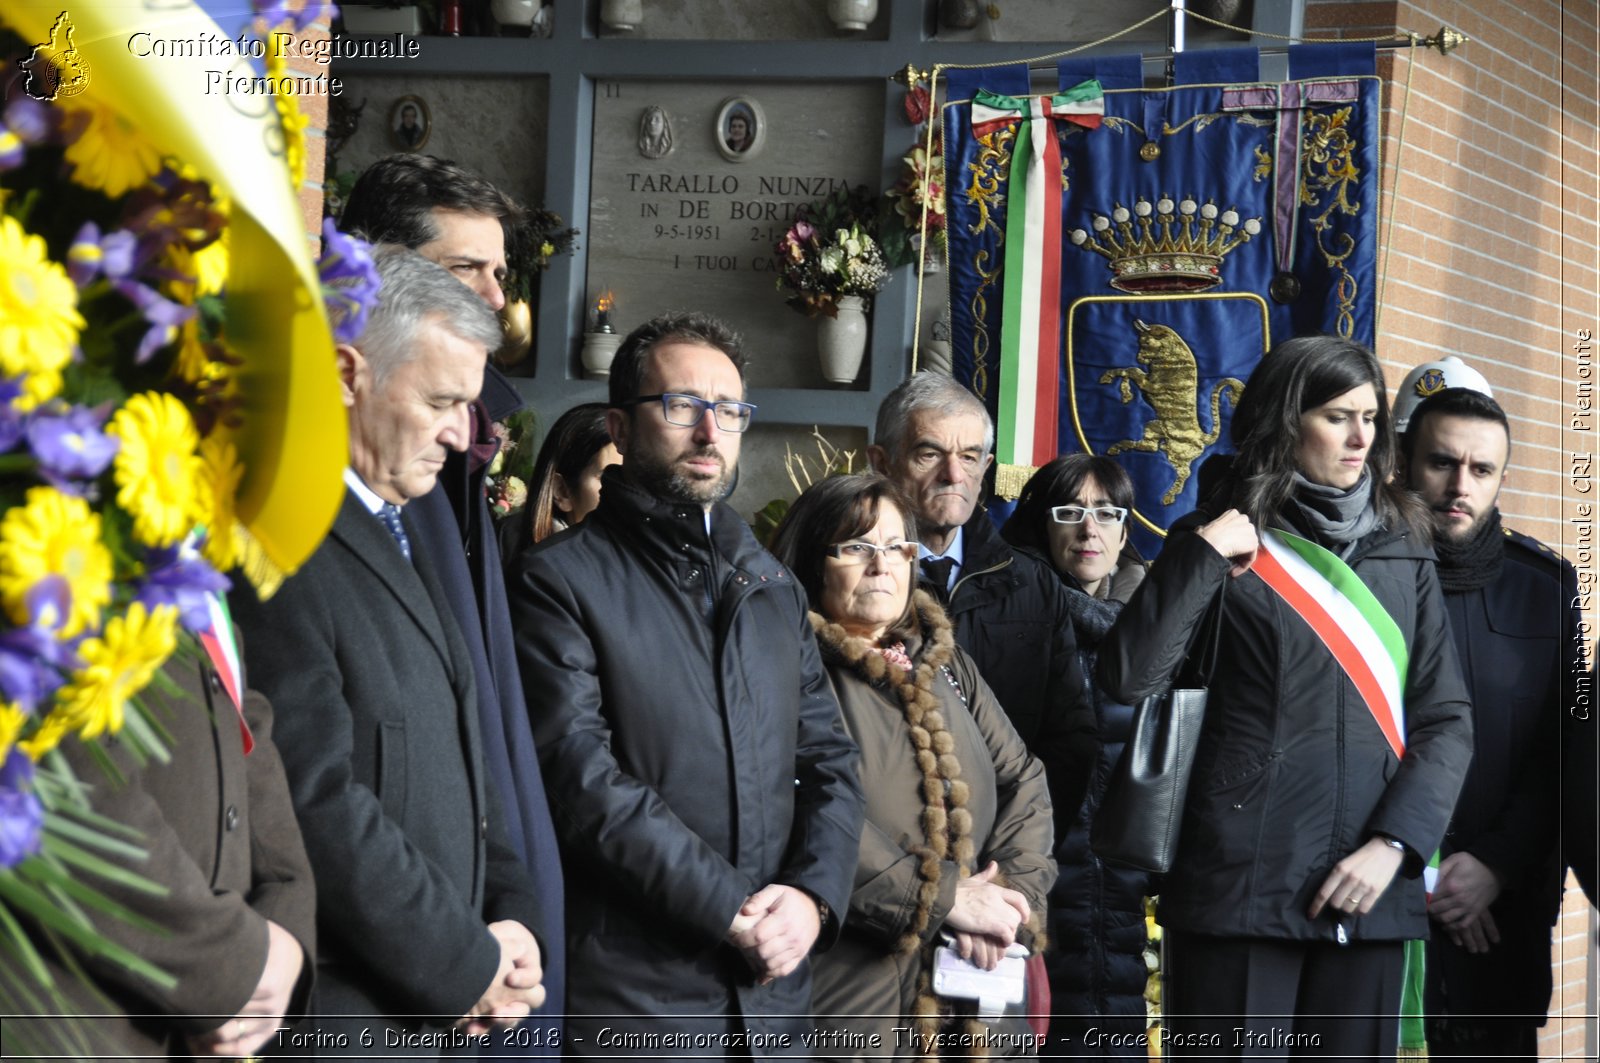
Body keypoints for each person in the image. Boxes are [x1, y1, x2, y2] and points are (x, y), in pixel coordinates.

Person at [1098, 334, 1474, 1058]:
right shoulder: (1212, 535)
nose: (1362, 436)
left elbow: (1447, 719)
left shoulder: (1407, 543)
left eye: (1370, 415)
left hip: (1369, 894)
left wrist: (1394, 846)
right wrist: (1205, 558)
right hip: (1239, 888)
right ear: (1283, 419)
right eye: (1338, 415)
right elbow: (1127, 677)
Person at [506, 311, 864, 1056]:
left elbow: (830, 759)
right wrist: (731, 908)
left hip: (773, 1004)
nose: (710, 431)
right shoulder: (558, 581)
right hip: (639, 1002)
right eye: (681, 406)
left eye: (730, 410)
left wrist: (812, 896)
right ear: (622, 425)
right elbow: (580, 777)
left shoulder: (770, 583)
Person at [230, 247, 546, 1054]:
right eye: (443, 399)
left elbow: (470, 751)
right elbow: (312, 798)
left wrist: (511, 917)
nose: (461, 431)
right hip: (350, 1017)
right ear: (347, 374)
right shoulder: (282, 533)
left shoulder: (414, 516)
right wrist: (463, 957)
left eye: (469, 404)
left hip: (434, 1010)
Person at [339, 153, 567, 1037]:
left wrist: (509, 913)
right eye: (464, 267)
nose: (496, 295)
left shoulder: (445, 451)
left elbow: (478, 710)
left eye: (501, 271)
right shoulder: (369, 473)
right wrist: (461, 952)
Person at [769, 474, 1055, 1058]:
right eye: (856, 547)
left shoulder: (943, 661)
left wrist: (1009, 902)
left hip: (977, 982)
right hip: (853, 995)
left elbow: (1023, 779)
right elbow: (796, 812)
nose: (882, 566)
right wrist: (946, 899)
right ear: (811, 561)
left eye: (897, 547)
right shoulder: (783, 668)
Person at [3, 644, 316, 1062]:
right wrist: (230, 965)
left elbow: (235, 700)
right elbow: (60, 775)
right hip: (73, 1013)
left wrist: (285, 910)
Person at [1394, 378, 1582, 1062]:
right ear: (1405, 461)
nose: (1458, 485)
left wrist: (1496, 864)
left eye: (1480, 469)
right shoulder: (1360, 579)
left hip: (1497, 919)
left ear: (1501, 477)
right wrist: (1410, 864)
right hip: (1380, 902)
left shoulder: (1547, 588)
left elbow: (1566, 750)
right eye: (1442, 462)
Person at [869, 373, 1092, 835]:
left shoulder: (1033, 584)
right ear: (881, 463)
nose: (954, 475)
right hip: (889, 858)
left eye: (969, 457)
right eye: (929, 454)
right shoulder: (849, 580)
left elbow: (1069, 739)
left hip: (1006, 858)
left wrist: (1024, 851)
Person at [999, 455, 1150, 1058]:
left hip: (1121, 893)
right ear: (1042, 523)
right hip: (1031, 886)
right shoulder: (1010, 619)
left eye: (1107, 513)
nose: (1091, 529)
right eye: (1071, 512)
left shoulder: (1156, 629)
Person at [496, 402, 620, 567]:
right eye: (609, 477)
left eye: (638, 477)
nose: (629, 490)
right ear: (562, 491)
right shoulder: (525, 564)